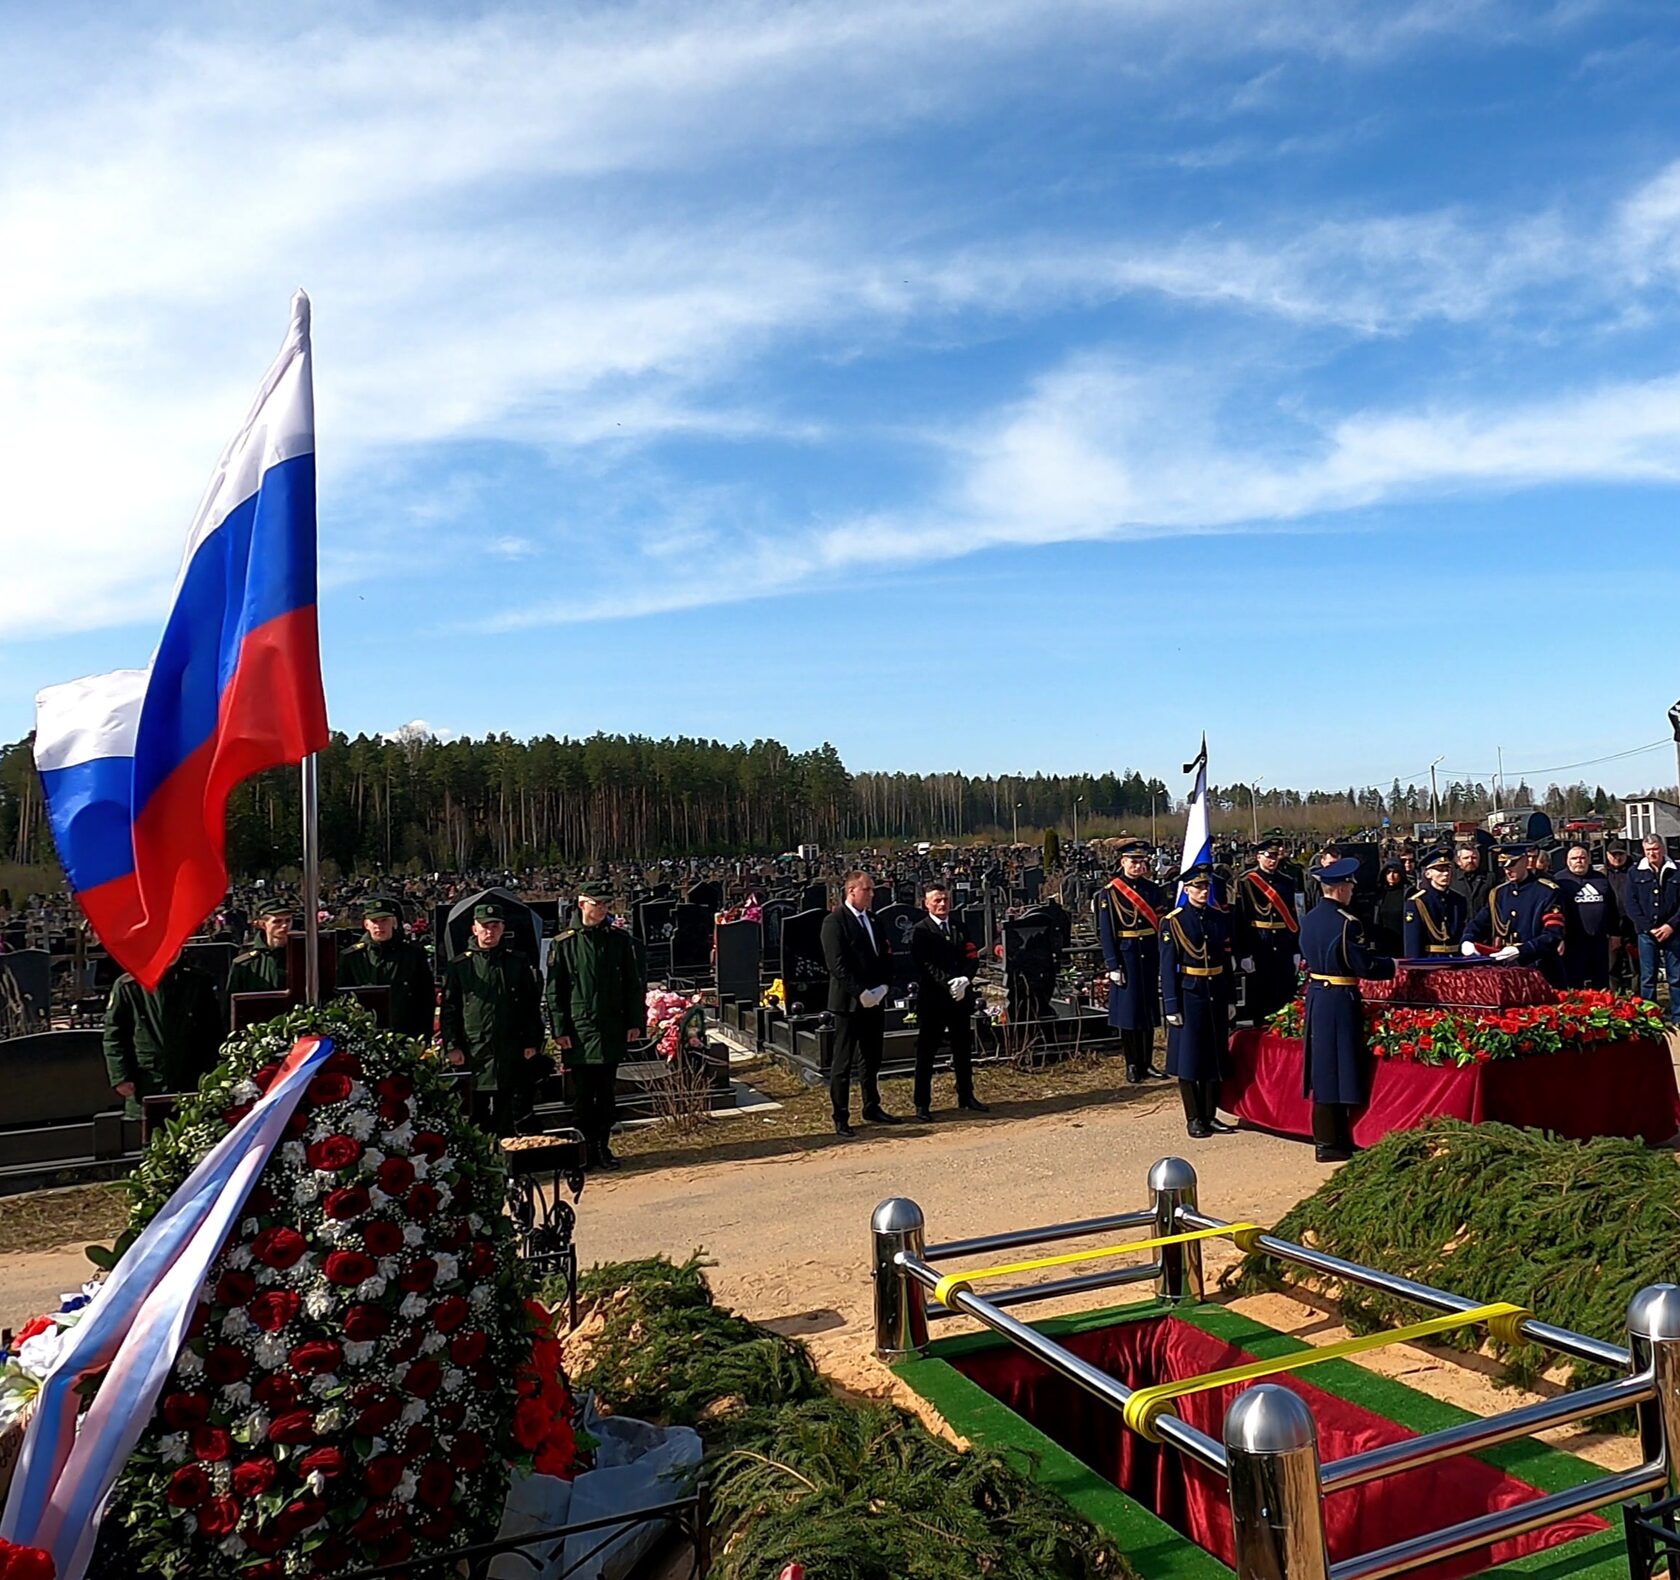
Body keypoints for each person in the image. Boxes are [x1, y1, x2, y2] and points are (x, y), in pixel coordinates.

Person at [1299, 856, 1396, 1163]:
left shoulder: (1311, 918)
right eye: (1350, 886)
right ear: (1341, 888)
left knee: (1324, 1066)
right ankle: (1330, 1141)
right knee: (1337, 1067)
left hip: (1317, 995)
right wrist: (1390, 965)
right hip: (1340, 997)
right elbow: (1363, 965)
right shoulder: (1346, 923)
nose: (1353, 891)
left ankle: (1329, 1138)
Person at [547, 883, 646, 1168]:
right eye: (597, 904)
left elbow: (632, 984)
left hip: (611, 1027)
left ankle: (602, 1146)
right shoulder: (564, 943)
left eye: (605, 904)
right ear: (582, 905)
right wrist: (560, 1029)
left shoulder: (618, 940)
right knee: (582, 1096)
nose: (602, 909)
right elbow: (556, 991)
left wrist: (634, 1022)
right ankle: (583, 1149)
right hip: (580, 1031)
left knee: (605, 1095)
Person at [441, 899, 545, 1137]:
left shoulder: (516, 962)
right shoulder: (460, 966)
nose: (490, 931)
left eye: (495, 926)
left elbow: (530, 1005)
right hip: (474, 1050)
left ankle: (506, 1165)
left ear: (502, 928)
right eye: (485, 926)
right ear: (474, 929)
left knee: (506, 1114)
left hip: (509, 1049)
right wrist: (452, 1045)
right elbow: (450, 1009)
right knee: (475, 1115)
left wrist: (532, 1041)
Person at [1158, 864, 1236, 1141]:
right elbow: (1168, 967)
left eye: (1206, 887)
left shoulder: (1218, 918)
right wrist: (1171, 1005)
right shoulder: (1174, 921)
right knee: (1191, 1059)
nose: (1203, 892)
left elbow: (1225, 962)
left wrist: (1230, 998)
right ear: (1187, 889)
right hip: (1189, 993)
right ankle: (1194, 1117)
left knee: (1214, 1056)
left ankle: (1210, 1113)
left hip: (1214, 989)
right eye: (1198, 887)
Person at [821, 870, 898, 1137]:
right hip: (849, 1003)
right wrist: (860, 992)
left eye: (872, 890)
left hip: (875, 999)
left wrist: (884, 986)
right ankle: (841, 1116)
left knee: (871, 1057)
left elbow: (885, 955)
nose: (872, 894)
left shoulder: (874, 920)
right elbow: (837, 964)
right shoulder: (835, 921)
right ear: (852, 891)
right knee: (843, 1062)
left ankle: (871, 1105)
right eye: (867, 890)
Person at [102, 952, 224, 1120]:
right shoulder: (128, 986)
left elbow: (213, 1032)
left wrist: (215, 1073)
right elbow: (114, 1035)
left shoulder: (197, 981)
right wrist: (121, 1076)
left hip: (191, 1080)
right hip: (147, 1081)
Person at [909, 883, 987, 1120]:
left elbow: (972, 955)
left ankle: (966, 1095)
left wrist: (965, 979)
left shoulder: (960, 927)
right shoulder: (920, 930)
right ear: (926, 903)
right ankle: (922, 1103)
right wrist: (948, 983)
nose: (942, 904)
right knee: (926, 1052)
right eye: (937, 900)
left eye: (945, 899)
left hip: (960, 998)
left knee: (962, 1048)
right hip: (933, 1000)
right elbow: (924, 964)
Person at [1097, 840, 1168, 1082]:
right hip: (1126, 955)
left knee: (1148, 1011)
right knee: (1129, 1014)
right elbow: (1106, 931)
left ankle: (1147, 1063)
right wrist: (1112, 964)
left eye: (1141, 861)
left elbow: (1160, 924)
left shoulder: (1152, 890)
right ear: (1122, 862)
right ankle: (1132, 1063)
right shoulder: (1110, 892)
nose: (1138, 866)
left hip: (1148, 954)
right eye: (1133, 861)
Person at [1460, 844, 1568, 984]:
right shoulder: (1498, 894)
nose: (1507, 870)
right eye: (1504, 866)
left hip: (1539, 969)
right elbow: (1480, 922)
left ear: (1525, 861)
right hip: (1506, 970)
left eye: (1512, 864)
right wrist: (1467, 939)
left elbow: (1553, 934)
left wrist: (1523, 950)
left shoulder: (1547, 892)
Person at [337, 896, 435, 1040]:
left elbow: (426, 1000)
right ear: (366, 924)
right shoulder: (351, 957)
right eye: (374, 921)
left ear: (394, 922)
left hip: (404, 1034)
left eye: (384, 921)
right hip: (364, 1036)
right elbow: (342, 998)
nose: (379, 926)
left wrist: (423, 1038)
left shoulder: (413, 955)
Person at [1232, 838, 1300, 1025]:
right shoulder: (1247, 882)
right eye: (1269, 856)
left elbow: (1292, 916)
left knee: (1283, 991)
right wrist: (1243, 953)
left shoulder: (1286, 881)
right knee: (1260, 993)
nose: (1273, 860)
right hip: (1258, 942)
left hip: (1282, 942)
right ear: (1258, 857)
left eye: (1276, 856)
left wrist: (1295, 949)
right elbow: (1240, 919)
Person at [1627, 835, 1680, 1020]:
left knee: (1676, 978)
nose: (1652, 853)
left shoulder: (1676, 871)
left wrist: (1670, 926)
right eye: (1648, 850)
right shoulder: (1635, 873)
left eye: (1656, 849)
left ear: (1663, 849)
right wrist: (1649, 928)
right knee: (1648, 978)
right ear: (1643, 851)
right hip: (1646, 934)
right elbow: (1631, 904)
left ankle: (1678, 1016)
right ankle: (1650, 1017)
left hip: (1673, 932)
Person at [1558, 844, 1619, 990]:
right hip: (1572, 941)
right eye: (1574, 858)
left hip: (1598, 940)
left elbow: (1612, 908)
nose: (1579, 861)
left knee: (1601, 982)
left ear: (1589, 860)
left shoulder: (1601, 879)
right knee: (1574, 983)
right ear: (1567, 861)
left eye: (1582, 858)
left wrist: (1615, 933)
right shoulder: (1559, 881)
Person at [224, 899, 293, 1019]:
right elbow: (231, 1008)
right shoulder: (245, 964)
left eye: (288, 920)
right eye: (277, 921)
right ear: (262, 924)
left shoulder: (303, 956)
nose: (284, 926)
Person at [1403, 851, 1467, 958]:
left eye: (1447, 870)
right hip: (1431, 959)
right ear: (1428, 874)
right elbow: (1413, 941)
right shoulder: (1418, 902)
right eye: (1440, 870)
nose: (1445, 873)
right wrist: (1414, 966)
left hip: (1456, 958)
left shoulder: (1458, 899)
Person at [1603, 839, 1638, 989]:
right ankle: (1616, 1000)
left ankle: (1638, 999)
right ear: (1607, 855)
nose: (1617, 857)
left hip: (1634, 929)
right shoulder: (1602, 876)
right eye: (1614, 854)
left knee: (1637, 968)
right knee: (1612, 968)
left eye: (1620, 854)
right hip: (1612, 929)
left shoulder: (1635, 873)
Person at [1371, 861, 1408, 955]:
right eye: (1388, 872)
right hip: (1384, 944)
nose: (1391, 876)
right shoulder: (1380, 894)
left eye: (1395, 872)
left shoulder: (1407, 893)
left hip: (1403, 942)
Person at [1450, 840, 1493, 917]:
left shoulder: (1490, 878)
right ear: (1458, 861)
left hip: (1483, 926)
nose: (1470, 861)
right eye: (1466, 858)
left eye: (1474, 857)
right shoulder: (1451, 879)